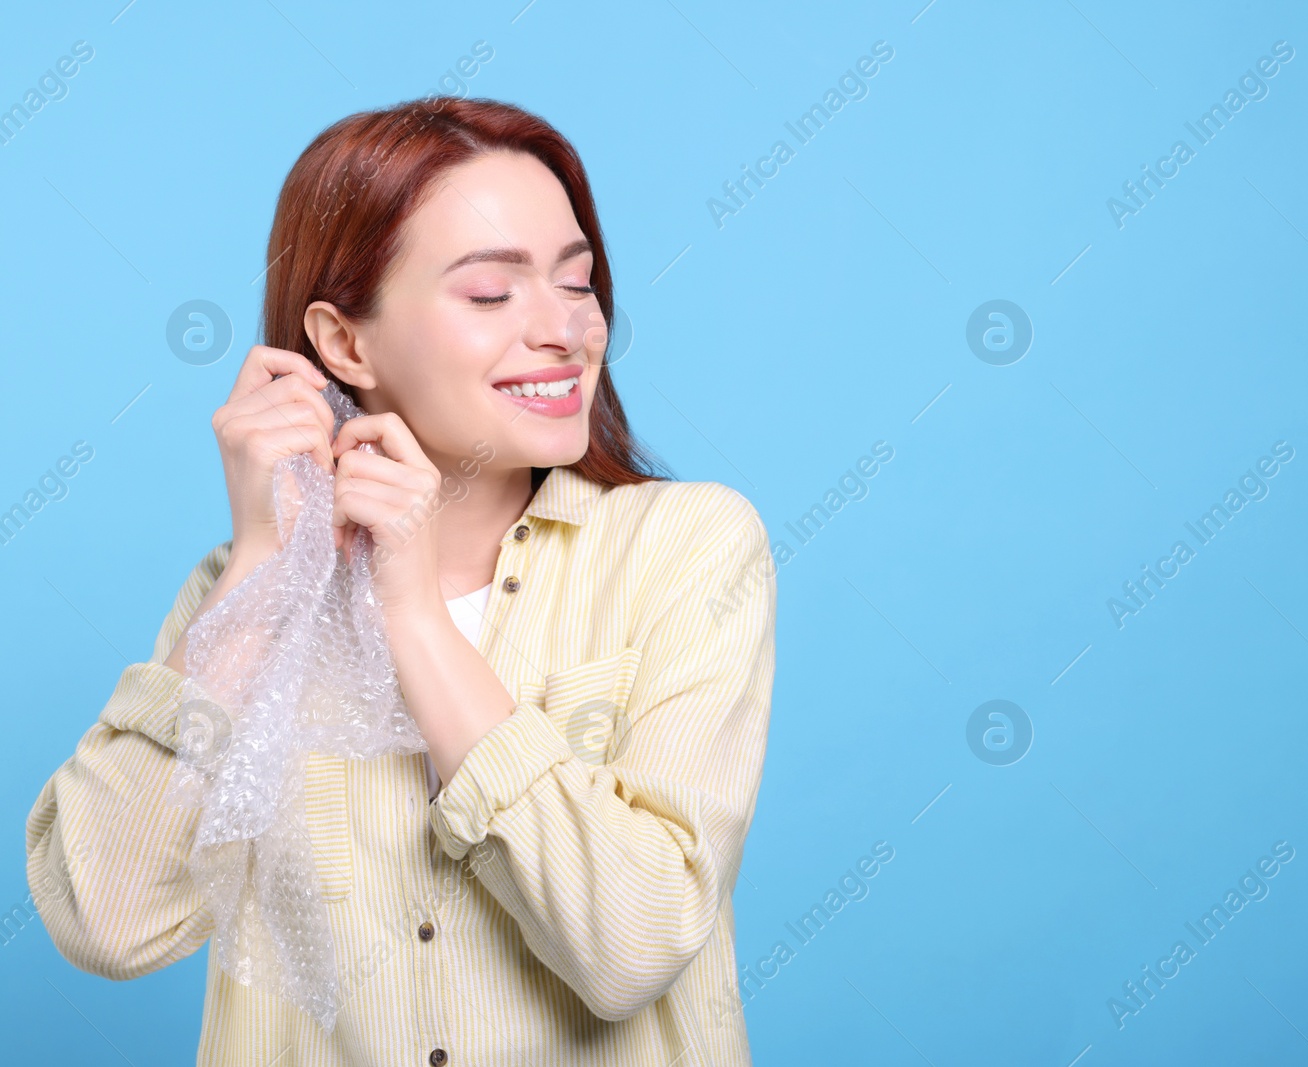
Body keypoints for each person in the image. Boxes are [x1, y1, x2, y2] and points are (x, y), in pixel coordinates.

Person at [23, 95, 777, 1066]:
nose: (564, 330)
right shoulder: (234, 592)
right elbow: (107, 922)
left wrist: (414, 614)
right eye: (490, 294)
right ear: (345, 345)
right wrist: (261, 573)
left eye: (578, 282)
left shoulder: (687, 547)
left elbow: (633, 943)